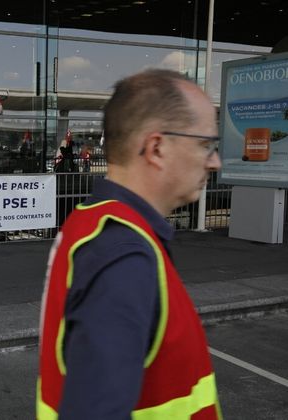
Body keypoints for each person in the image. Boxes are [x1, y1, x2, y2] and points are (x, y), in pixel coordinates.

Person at [37, 69, 222, 419]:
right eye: (205, 144)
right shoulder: (123, 254)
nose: (215, 161)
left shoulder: (94, 222)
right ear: (156, 147)